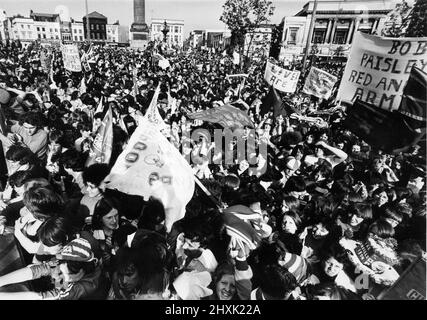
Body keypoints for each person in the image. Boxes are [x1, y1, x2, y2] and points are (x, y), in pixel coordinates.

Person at [0, 237, 108, 300]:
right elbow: (39, 269)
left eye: (68, 276)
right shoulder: (68, 259)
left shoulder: (87, 286)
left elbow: (46, 297)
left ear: (82, 272)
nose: (62, 277)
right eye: (61, 271)